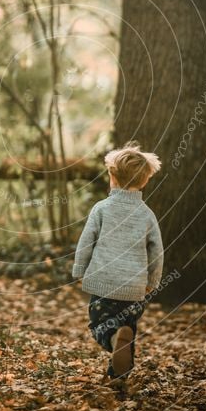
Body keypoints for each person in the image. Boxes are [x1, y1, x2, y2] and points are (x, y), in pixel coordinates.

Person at [72, 141, 164, 387]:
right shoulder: (147, 214)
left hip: (104, 284)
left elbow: (86, 242)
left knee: (101, 325)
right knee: (127, 326)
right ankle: (119, 377)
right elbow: (157, 251)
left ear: (112, 176)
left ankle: (113, 338)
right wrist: (152, 282)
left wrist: (79, 271)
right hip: (135, 288)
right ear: (144, 181)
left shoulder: (101, 209)